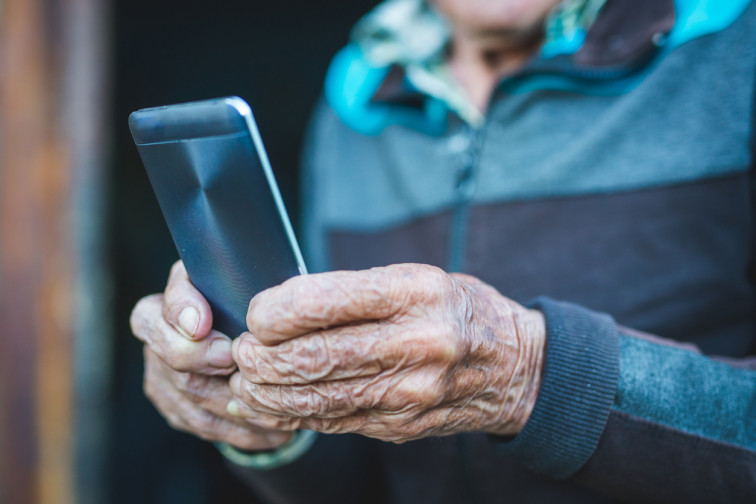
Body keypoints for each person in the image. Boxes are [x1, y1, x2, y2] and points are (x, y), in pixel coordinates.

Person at [129, 0, 756, 502]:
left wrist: (531, 376)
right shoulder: (357, 101)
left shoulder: (734, 51)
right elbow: (363, 478)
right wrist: (271, 428)